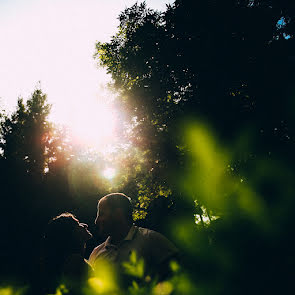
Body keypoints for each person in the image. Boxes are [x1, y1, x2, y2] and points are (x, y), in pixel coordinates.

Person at [89, 193, 178, 280]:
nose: (96, 221)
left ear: (118, 214)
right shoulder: (96, 253)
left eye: (101, 214)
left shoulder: (152, 240)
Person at [37, 213, 93, 295]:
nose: (85, 225)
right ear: (70, 233)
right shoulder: (75, 262)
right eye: (77, 224)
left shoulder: (69, 261)